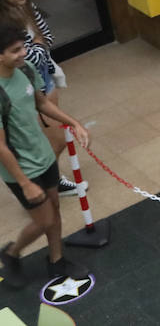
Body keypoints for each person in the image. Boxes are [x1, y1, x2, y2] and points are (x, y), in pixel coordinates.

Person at [0, 23, 91, 287]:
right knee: (43, 220)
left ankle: (56, 260)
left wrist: (74, 123)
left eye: (23, 47)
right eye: (15, 50)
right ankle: (11, 253)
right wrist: (25, 184)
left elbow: (41, 103)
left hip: (43, 156)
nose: (22, 54)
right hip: (20, 169)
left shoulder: (25, 71)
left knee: (55, 209)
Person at [0, 0, 79, 196]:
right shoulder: (6, 27)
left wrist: (36, 44)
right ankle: (46, 184)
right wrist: (36, 44)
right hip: (28, 85)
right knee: (55, 140)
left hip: (45, 78)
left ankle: (49, 182)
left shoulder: (28, 9)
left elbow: (47, 37)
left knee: (53, 138)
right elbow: (29, 57)